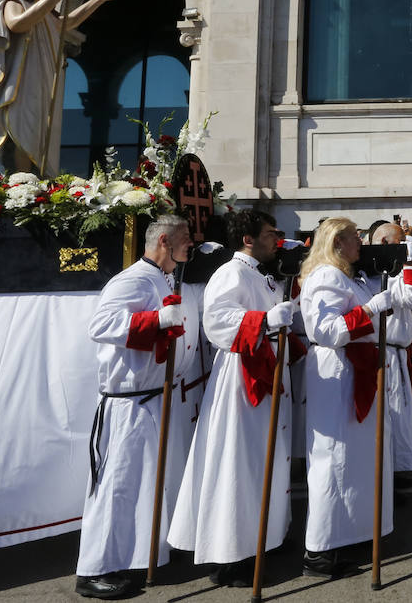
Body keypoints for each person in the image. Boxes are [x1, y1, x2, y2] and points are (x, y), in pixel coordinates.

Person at [169, 210, 298, 588]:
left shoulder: (258, 273)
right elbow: (218, 322)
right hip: (242, 379)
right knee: (237, 463)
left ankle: (264, 536)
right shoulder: (231, 272)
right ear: (248, 239)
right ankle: (229, 554)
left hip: (266, 369)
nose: (277, 240)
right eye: (271, 233)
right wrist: (267, 321)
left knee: (265, 461)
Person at [75, 216, 195, 600]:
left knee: (146, 485)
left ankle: (142, 555)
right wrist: (158, 319)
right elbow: (100, 324)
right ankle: (95, 570)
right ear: (164, 241)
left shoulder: (160, 278)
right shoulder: (133, 280)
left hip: (151, 398)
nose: (190, 245)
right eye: (185, 240)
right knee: (116, 488)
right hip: (127, 403)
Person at [299, 216, 412, 577]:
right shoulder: (325, 276)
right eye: (355, 238)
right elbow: (326, 329)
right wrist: (373, 307)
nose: (361, 244)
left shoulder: (344, 275)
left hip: (355, 370)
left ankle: (343, 537)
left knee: (352, 464)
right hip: (337, 373)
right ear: (337, 242)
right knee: (333, 461)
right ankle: (319, 551)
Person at [0, 0, 122, 176]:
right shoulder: (13, 1)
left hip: (39, 80)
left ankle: (25, 178)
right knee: (17, 124)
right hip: (17, 79)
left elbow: (70, 22)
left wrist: (98, 0)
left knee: (32, 131)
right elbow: (17, 24)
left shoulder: (48, 15)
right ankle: (15, 178)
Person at [366, 224, 412, 484]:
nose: (404, 247)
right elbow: (411, 299)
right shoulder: (376, 273)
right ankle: (386, 476)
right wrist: (410, 264)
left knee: (400, 417)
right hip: (384, 352)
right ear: (385, 242)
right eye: (400, 242)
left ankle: (395, 469)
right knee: (389, 416)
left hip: (398, 353)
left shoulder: (394, 271)